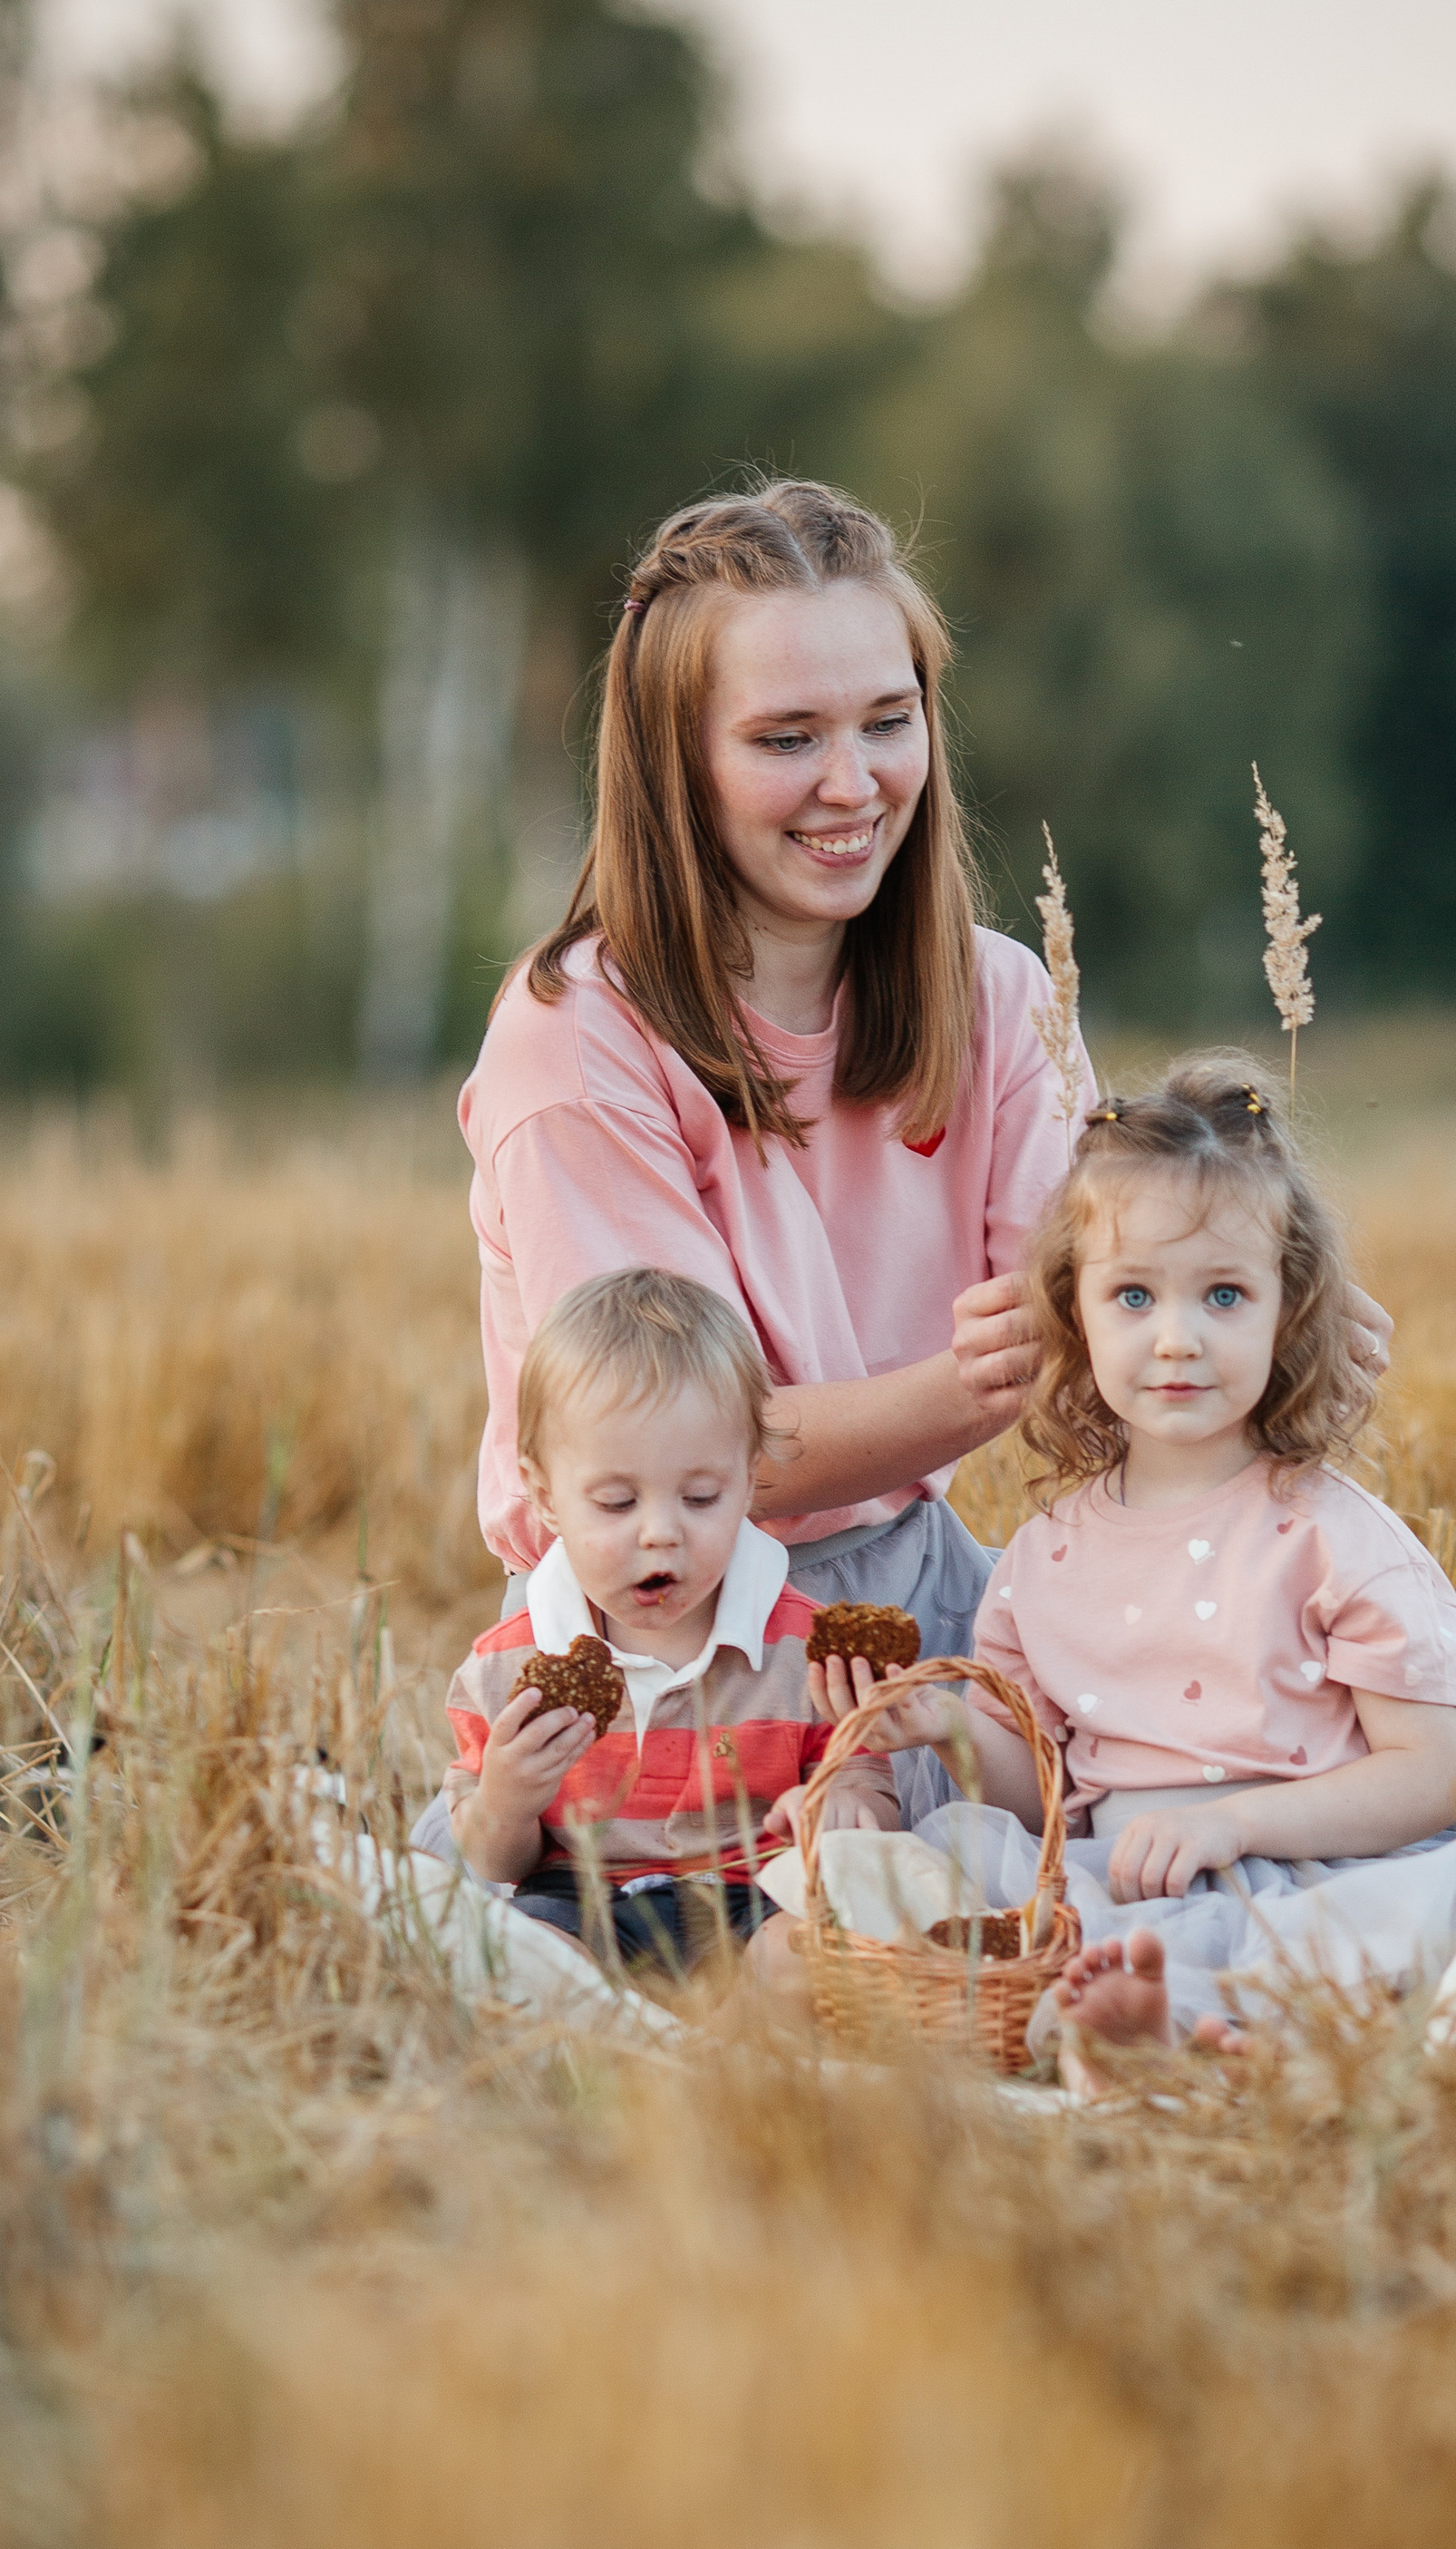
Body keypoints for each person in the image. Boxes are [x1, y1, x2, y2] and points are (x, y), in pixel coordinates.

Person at [454, 477, 1396, 1680]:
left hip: (917, 1570)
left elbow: (1106, 1320)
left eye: (887, 722)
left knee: (1429, 1695)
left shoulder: (1000, 998)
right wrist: (1006, 1369)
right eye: (787, 738)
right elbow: (688, 1447)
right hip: (655, 1626)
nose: (853, 784)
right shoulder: (574, 1043)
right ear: (674, 767)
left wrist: (1255, 1312)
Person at [808, 1055, 1456, 2049]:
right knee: (934, 1860)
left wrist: (1233, 1826)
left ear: (1289, 1309)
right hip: (1119, 1884)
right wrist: (950, 1731)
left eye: (1223, 1296)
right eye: (1134, 1296)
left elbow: (1428, 1778)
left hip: (1304, 1877)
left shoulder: (1330, 1536)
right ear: (1073, 1313)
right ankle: (1160, 2028)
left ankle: (1212, 2032)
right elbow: (1037, 1788)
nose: (1177, 1337)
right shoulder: (1044, 1558)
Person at [415, 1267, 896, 1975]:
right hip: (578, 1899)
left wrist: (848, 1806)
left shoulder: (804, 1645)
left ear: (748, 1479)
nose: (661, 1532)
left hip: (757, 1893)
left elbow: (869, 1784)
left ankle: (727, 2051)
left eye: (701, 1497)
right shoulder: (506, 1667)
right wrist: (507, 1799)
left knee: (811, 1957)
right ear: (547, 1497)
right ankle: (616, 2042)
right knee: (515, 1955)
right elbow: (493, 1857)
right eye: (616, 1503)